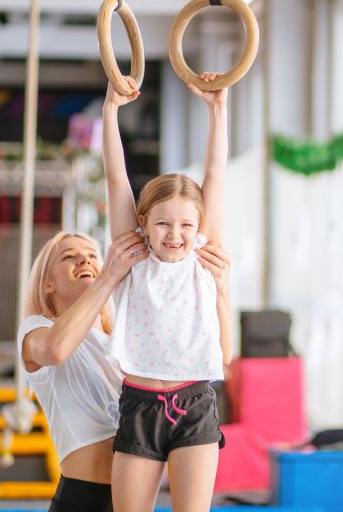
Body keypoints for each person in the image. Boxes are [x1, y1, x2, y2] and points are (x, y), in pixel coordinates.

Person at [17, 230, 231, 512]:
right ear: (48, 284)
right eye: (70, 257)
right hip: (83, 500)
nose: (85, 260)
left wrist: (220, 287)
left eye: (93, 255)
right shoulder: (36, 329)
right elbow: (55, 350)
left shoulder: (121, 343)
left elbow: (218, 355)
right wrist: (107, 277)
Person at [102, 74, 232, 511]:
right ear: (143, 223)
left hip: (193, 403)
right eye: (162, 223)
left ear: (198, 228)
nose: (175, 235)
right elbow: (117, 180)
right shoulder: (134, 255)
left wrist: (218, 109)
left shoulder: (201, 256)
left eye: (185, 225)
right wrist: (110, 110)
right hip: (139, 405)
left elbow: (215, 174)